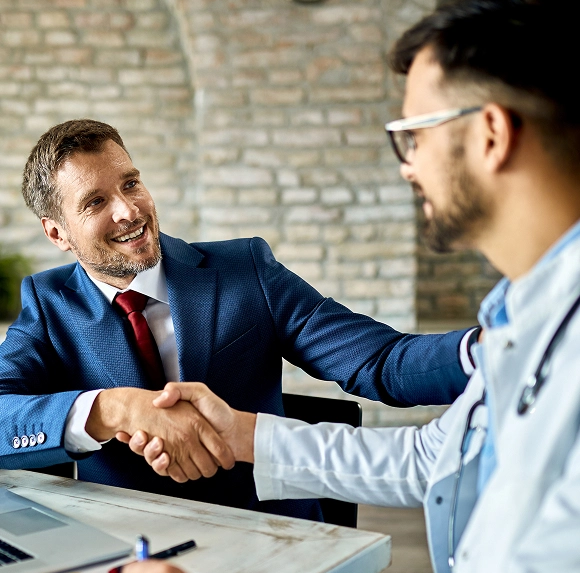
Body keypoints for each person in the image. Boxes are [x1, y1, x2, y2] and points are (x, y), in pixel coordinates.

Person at [116, 0, 580, 573]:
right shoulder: (527, 310)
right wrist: (242, 434)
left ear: (489, 133)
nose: (407, 165)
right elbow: (437, 455)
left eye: (412, 136)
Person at [0, 119, 473, 524]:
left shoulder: (246, 270)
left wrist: (488, 353)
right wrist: (116, 409)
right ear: (57, 232)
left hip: (272, 532)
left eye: (130, 183)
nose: (128, 211)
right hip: (130, 553)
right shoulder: (47, 304)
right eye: (95, 202)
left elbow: (382, 360)